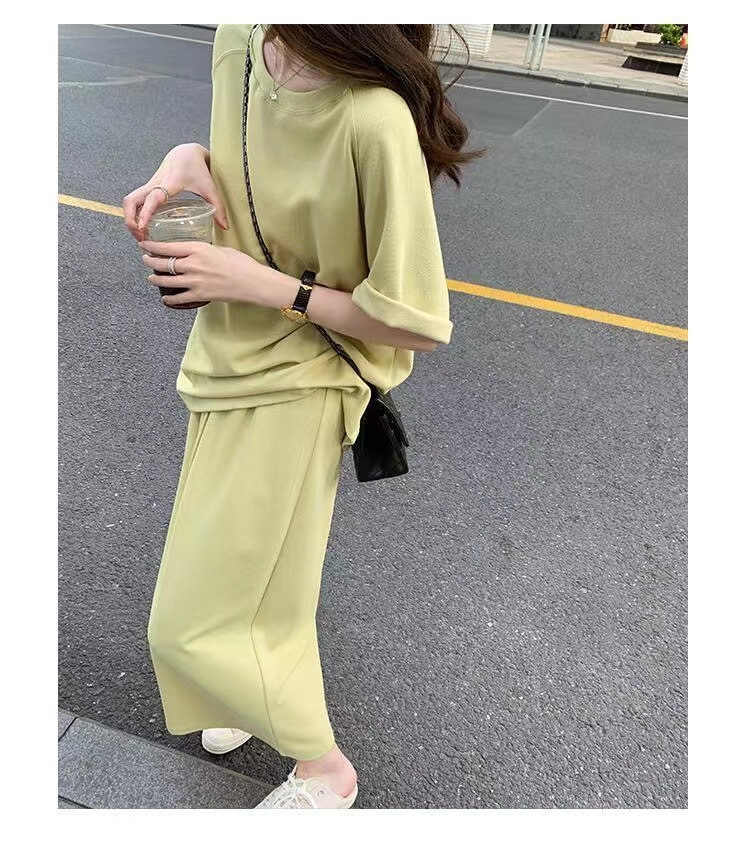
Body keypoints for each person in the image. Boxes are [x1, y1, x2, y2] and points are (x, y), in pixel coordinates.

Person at [123, 23, 486, 809]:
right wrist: (186, 158)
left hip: (304, 382)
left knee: (184, 624)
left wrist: (258, 285)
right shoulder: (240, 41)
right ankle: (237, 695)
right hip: (223, 356)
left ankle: (325, 770)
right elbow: (250, 168)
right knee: (266, 581)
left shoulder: (371, 118)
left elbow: (416, 321)